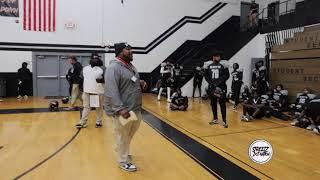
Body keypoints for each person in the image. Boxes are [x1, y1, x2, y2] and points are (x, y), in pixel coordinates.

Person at [105, 43, 147, 172]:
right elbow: (111, 90)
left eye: (131, 49)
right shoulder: (113, 68)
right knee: (123, 135)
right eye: (127, 49)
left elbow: (130, 80)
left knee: (128, 135)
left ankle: (122, 149)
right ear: (119, 52)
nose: (131, 51)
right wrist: (120, 109)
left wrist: (140, 82)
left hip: (135, 108)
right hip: (124, 110)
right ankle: (123, 161)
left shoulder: (130, 66)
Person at [75, 56, 105, 128]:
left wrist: (101, 80)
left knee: (99, 108)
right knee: (86, 107)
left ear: (98, 60)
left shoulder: (102, 69)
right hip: (87, 91)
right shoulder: (85, 68)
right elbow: (81, 78)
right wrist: (81, 88)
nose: (94, 60)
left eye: (96, 58)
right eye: (93, 58)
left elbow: (105, 79)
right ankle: (83, 122)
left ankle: (99, 122)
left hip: (98, 92)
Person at [204, 50, 230, 128]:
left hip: (221, 87)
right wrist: (212, 83)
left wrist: (218, 82)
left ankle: (224, 120)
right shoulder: (208, 65)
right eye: (217, 56)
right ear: (214, 57)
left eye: (219, 56)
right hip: (212, 87)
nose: (219, 58)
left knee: (222, 104)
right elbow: (206, 76)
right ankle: (215, 118)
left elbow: (227, 75)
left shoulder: (223, 65)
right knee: (213, 103)